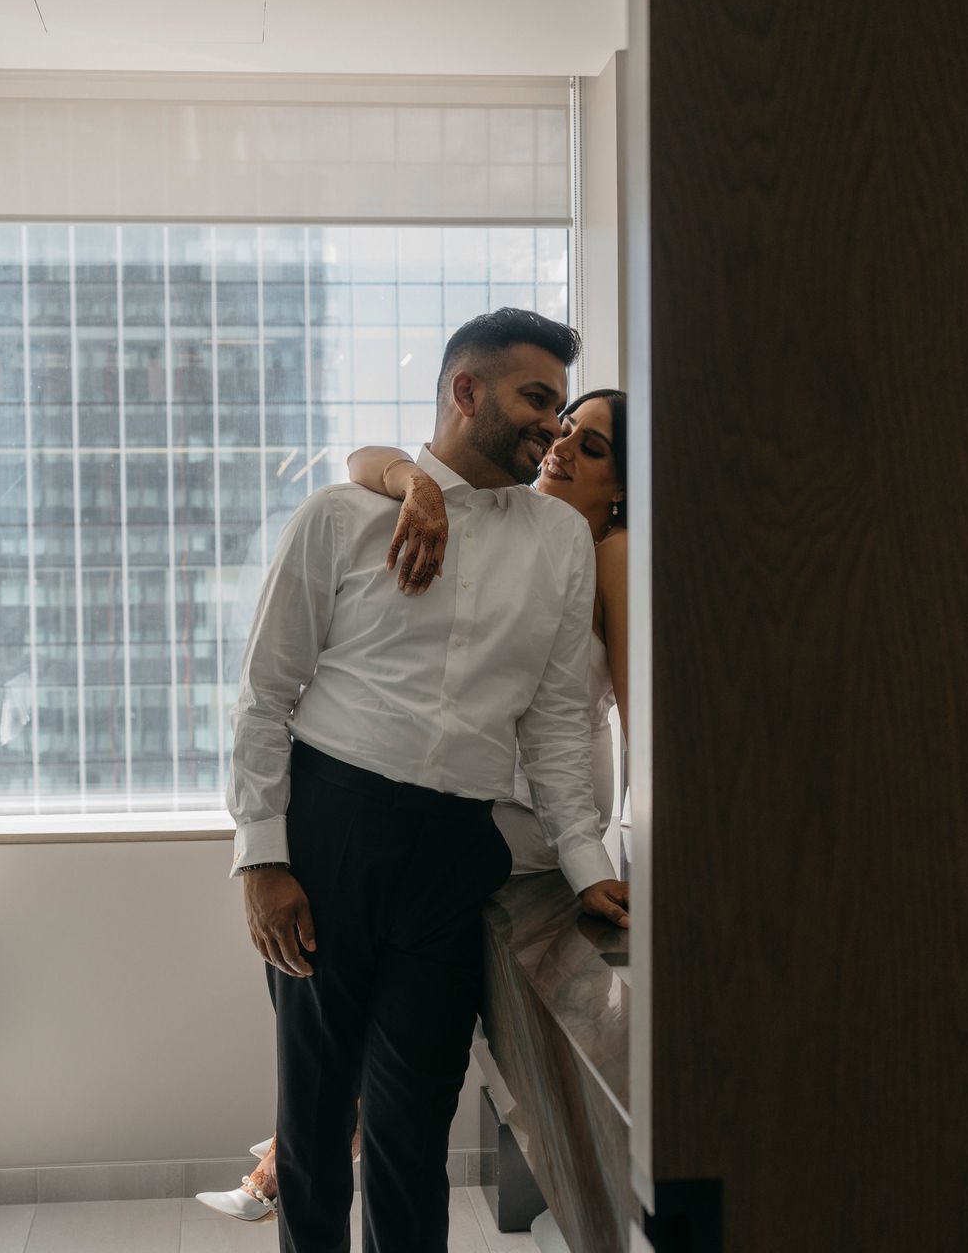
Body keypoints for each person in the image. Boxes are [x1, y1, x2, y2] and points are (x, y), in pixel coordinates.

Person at [221, 309, 629, 1251]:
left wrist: (586, 865)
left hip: (454, 859)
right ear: (465, 391)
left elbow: (556, 725)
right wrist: (261, 860)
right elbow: (265, 696)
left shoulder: (561, 544)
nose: (552, 426)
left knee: (412, 1135)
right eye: (537, 399)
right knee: (314, 1127)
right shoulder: (340, 517)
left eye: (562, 408)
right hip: (330, 836)